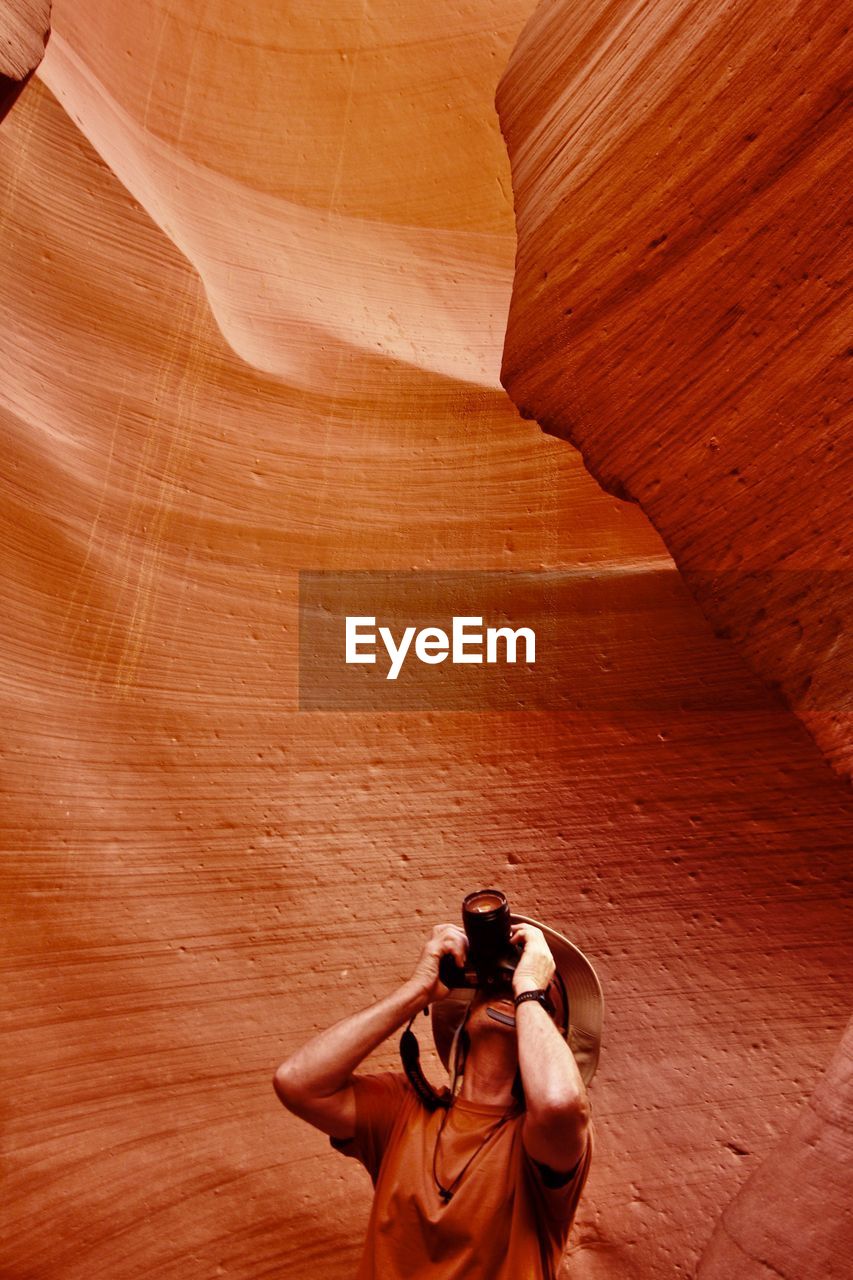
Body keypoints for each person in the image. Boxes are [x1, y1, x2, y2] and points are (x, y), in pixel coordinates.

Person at [273, 904, 603, 1279]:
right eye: (499, 981)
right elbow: (297, 1083)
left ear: (554, 1033)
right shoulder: (404, 1109)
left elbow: (559, 1102)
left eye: (545, 998)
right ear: (466, 1009)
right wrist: (419, 990)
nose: (510, 992)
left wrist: (529, 986)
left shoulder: (543, 1141)